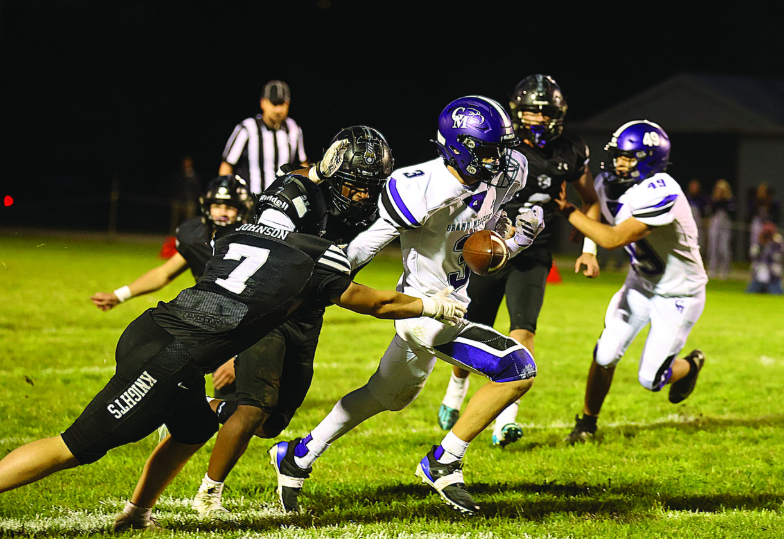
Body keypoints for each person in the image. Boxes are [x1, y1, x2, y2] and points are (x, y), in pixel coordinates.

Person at [0, 175, 468, 532]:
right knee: (80, 444)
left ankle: (138, 512)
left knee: (193, 427)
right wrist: (433, 303)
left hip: (155, 331)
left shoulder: (238, 233)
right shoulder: (313, 256)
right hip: (171, 355)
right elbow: (378, 302)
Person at [267, 95, 545, 516]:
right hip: (424, 310)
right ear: (460, 147)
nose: (500, 160)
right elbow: (367, 244)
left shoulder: (508, 172)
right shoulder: (421, 186)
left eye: (501, 150)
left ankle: (296, 457)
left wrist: (515, 241)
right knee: (516, 368)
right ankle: (444, 462)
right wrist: (318, 281)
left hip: (455, 302)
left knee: (385, 395)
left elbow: (481, 251)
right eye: (489, 151)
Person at [188, 126, 396, 516]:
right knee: (254, 406)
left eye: (372, 186)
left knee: (272, 423)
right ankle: (208, 494)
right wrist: (234, 341)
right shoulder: (293, 194)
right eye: (356, 186)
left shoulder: (359, 206)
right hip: (267, 308)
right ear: (334, 172)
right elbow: (260, 263)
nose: (364, 195)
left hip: (307, 314)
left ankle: (202, 406)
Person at [435, 75, 600, 447]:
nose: (539, 119)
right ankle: (455, 389)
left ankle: (506, 420)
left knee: (523, 330)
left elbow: (590, 200)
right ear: (517, 112)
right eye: (531, 112)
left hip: (534, 253)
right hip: (489, 249)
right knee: (470, 329)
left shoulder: (571, 150)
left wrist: (589, 248)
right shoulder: (501, 147)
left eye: (546, 113)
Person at [553, 120, 708, 445]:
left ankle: (691, 366)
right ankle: (587, 424)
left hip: (679, 293)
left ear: (651, 158)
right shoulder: (608, 181)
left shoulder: (662, 191)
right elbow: (594, 211)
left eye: (629, 157)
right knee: (605, 354)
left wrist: (567, 211)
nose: (618, 163)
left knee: (651, 380)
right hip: (641, 283)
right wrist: (588, 248)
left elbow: (614, 238)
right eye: (617, 155)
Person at [91, 175, 256, 399]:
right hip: (214, 322)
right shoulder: (196, 237)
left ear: (243, 209)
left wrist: (237, 356)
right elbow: (164, 273)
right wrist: (118, 296)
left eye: (230, 206)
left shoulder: (254, 240)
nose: (223, 212)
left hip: (252, 324)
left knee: (252, 408)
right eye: (217, 205)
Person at [219, 80, 308, 194]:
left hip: (282, 201)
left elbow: (303, 164)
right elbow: (226, 166)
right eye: (274, 104)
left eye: (282, 104)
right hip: (251, 201)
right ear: (263, 103)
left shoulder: (293, 128)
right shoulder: (247, 128)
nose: (278, 110)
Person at [707, 178, 735, 279]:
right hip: (715, 222)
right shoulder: (713, 199)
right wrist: (717, 199)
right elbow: (710, 211)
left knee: (724, 248)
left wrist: (724, 199)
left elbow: (732, 211)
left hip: (725, 222)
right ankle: (712, 269)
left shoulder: (729, 200)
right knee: (713, 246)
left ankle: (725, 270)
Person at [746, 220, 783, 294]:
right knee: (759, 268)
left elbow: (778, 258)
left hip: (772, 277)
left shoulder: (777, 245)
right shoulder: (759, 245)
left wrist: (779, 242)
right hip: (759, 275)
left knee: (776, 269)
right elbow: (753, 255)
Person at [169, 155, 202, 233]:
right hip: (178, 200)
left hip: (189, 200)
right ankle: (172, 236)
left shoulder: (194, 175)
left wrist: (195, 199)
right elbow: (174, 186)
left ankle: (188, 235)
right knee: (175, 221)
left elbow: (197, 189)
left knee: (189, 220)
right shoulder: (179, 174)